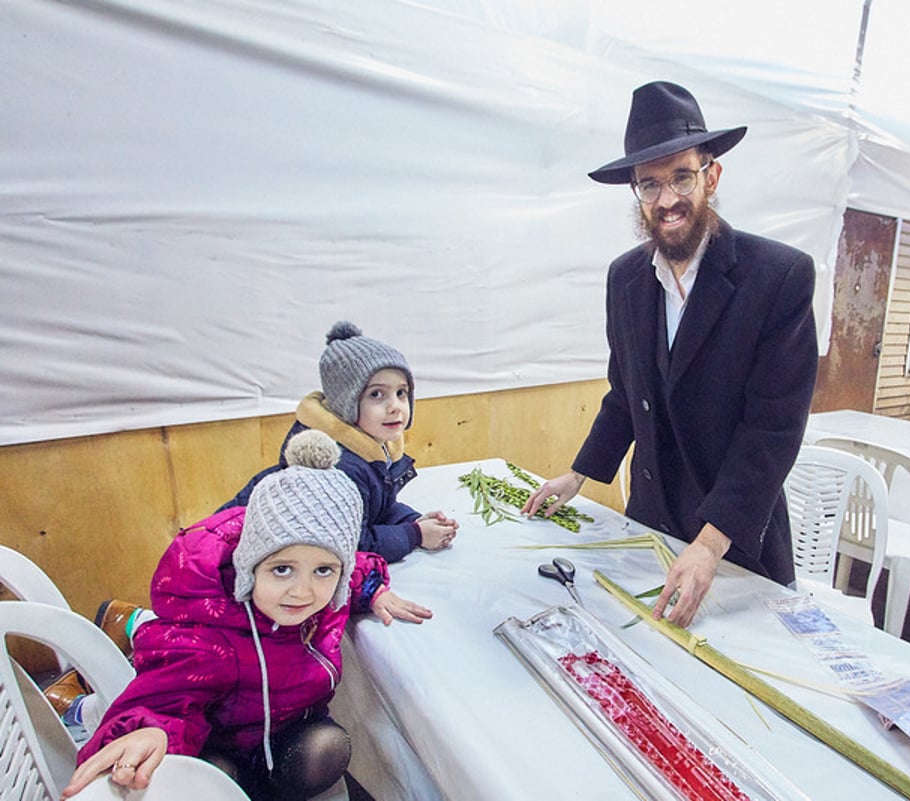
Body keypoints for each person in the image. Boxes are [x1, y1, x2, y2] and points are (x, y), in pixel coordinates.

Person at [522, 81, 817, 628]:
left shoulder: (778, 277)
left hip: (735, 539)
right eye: (649, 185)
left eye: (681, 177)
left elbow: (772, 430)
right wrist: (579, 474)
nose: (667, 200)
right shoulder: (626, 278)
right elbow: (626, 393)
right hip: (650, 524)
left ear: (711, 175)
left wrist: (710, 543)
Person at [62, 430, 431, 800]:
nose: (302, 592)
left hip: (284, 732)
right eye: (282, 569)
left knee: (328, 747)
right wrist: (151, 729)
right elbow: (162, 699)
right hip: (218, 745)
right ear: (250, 566)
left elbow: (354, 570)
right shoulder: (211, 635)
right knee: (212, 776)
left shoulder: (328, 594)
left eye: (323, 571)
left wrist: (373, 590)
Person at [222, 320, 458, 563]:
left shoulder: (372, 446)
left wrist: (411, 520)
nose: (395, 407)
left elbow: (373, 508)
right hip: (232, 563)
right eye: (376, 394)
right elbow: (348, 543)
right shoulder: (336, 467)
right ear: (346, 403)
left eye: (401, 393)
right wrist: (414, 535)